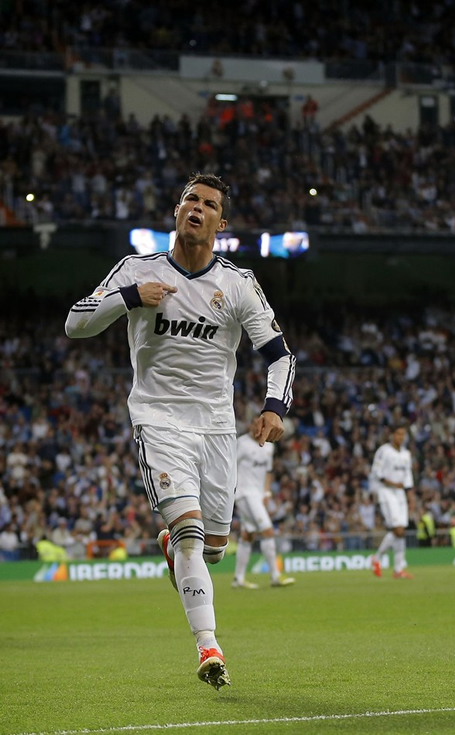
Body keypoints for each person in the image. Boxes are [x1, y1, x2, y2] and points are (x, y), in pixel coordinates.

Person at [65, 172, 296, 691]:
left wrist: (274, 408)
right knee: (192, 533)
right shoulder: (137, 270)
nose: (197, 207)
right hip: (158, 417)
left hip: (216, 425)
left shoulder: (237, 284)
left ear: (221, 221)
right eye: (190, 199)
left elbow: (280, 355)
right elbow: (75, 323)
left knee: (213, 549)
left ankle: (175, 543)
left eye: (209, 204)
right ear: (177, 210)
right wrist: (129, 297)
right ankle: (208, 647)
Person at [232, 416, 295, 589]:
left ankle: (238, 578)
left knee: (249, 534)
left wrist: (266, 492)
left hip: (258, 495)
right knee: (267, 530)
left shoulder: (269, 447)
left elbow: (268, 471)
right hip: (244, 494)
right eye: (252, 424)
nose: (255, 428)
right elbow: (229, 467)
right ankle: (275, 575)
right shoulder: (241, 443)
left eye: (258, 424)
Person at [369, 424, 414, 579]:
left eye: (403, 434)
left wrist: (411, 497)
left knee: (401, 532)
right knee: (398, 530)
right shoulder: (383, 451)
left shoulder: (407, 454)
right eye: (398, 434)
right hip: (386, 492)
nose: (401, 437)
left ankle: (398, 569)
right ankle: (379, 558)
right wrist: (393, 484)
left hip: (401, 494)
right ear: (392, 435)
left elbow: (408, 478)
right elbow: (376, 472)